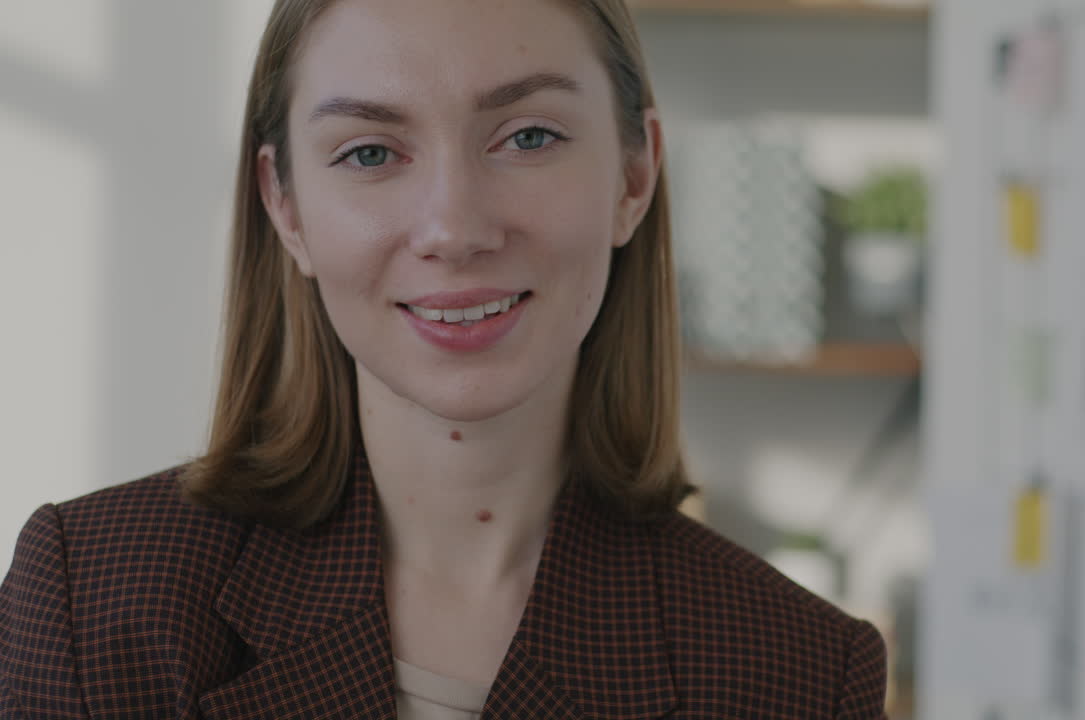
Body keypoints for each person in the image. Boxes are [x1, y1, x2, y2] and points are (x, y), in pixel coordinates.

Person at [0, 0, 888, 717]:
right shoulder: (90, 604)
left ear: (633, 177)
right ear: (287, 207)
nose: (456, 229)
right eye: (371, 152)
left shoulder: (802, 672)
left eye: (528, 137)